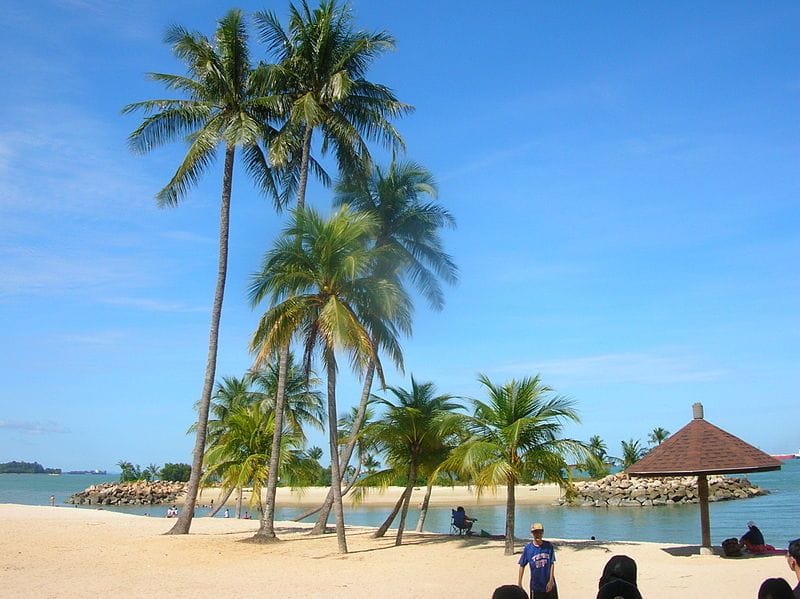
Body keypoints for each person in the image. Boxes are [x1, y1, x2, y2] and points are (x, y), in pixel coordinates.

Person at [518, 522, 557, 599]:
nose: (538, 534)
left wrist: (551, 580)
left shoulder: (549, 546)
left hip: (549, 583)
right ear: (532, 534)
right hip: (536, 585)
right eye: (535, 532)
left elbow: (552, 563)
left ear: (543, 533)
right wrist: (519, 583)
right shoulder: (528, 548)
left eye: (540, 532)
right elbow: (522, 565)